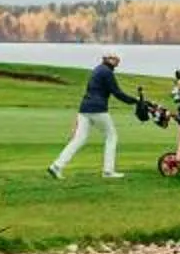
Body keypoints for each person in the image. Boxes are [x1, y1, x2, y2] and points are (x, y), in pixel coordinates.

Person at [49, 52, 146, 180]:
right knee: (111, 136)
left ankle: (56, 166)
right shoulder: (107, 72)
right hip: (98, 109)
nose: (118, 62)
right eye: (116, 59)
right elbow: (116, 92)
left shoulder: (97, 70)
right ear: (108, 59)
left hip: (85, 109)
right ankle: (108, 171)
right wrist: (135, 101)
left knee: (79, 139)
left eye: (118, 59)